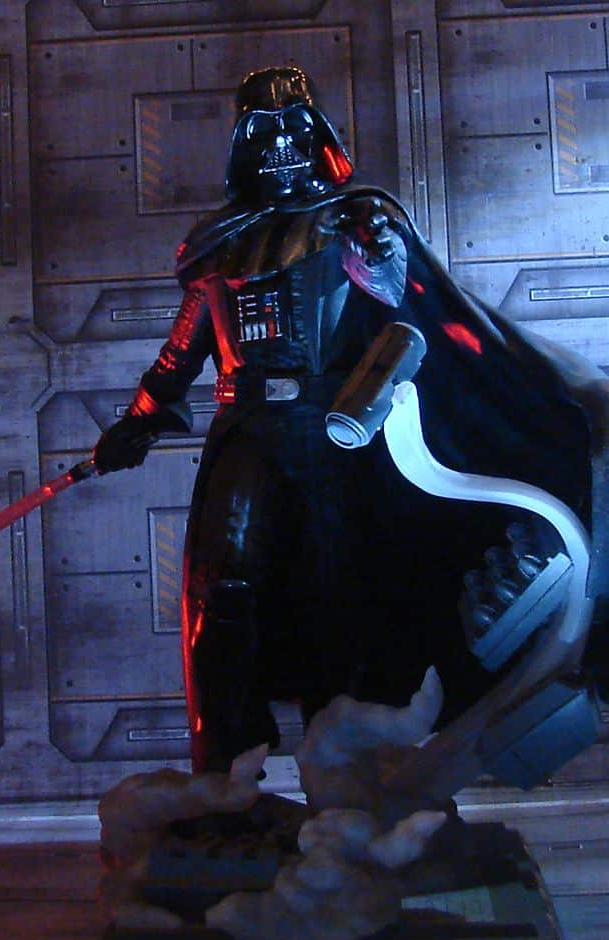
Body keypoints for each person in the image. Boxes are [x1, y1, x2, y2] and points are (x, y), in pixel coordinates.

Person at [93, 67, 608, 775]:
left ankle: (338, 766)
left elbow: (399, 295)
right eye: (264, 133)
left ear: (319, 138)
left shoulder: (350, 219)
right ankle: (223, 769)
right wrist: (139, 421)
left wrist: (378, 251)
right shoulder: (219, 244)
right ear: (242, 146)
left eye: (294, 130)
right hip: (247, 432)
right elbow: (184, 348)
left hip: (333, 430)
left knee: (338, 595)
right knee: (225, 586)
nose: (280, 147)